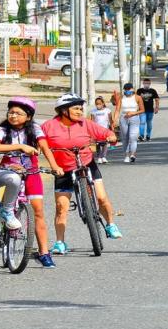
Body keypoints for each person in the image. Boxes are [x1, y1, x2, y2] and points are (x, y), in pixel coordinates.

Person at [42, 93, 122, 255]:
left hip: (86, 164)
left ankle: (110, 224)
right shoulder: (49, 126)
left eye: (81, 108)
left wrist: (111, 136)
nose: (80, 112)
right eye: (76, 108)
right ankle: (60, 242)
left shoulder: (85, 124)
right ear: (64, 110)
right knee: (61, 207)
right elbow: (37, 141)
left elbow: (106, 134)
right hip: (62, 169)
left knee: (101, 197)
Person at [0, 98, 64, 268]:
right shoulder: (2, 129)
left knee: (38, 212)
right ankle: (2, 226)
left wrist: (55, 166)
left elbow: (45, 148)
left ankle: (44, 253)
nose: (13, 116)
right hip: (8, 172)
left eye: (18, 113)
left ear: (29, 117)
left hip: (31, 172)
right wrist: (19, 147)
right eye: (11, 112)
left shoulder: (35, 129)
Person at [113, 83, 145, 163]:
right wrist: (115, 120)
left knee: (133, 137)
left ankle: (133, 154)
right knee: (125, 138)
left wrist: (133, 113)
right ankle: (126, 155)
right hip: (124, 118)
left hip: (134, 118)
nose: (127, 91)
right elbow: (117, 110)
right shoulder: (121, 98)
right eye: (126, 90)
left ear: (132, 89)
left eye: (129, 89)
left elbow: (142, 110)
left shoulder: (137, 97)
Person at [89, 97, 113, 163]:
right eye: (96, 104)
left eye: (99, 104)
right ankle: (99, 157)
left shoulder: (107, 110)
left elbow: (110, 120)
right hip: (96, 130)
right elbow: (92, 121)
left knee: (105, 143)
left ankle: (104, 157)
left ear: (103, 103)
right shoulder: (93, 111)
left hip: (105, 129)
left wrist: (112, 128)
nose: (98, 105)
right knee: (97, 144)